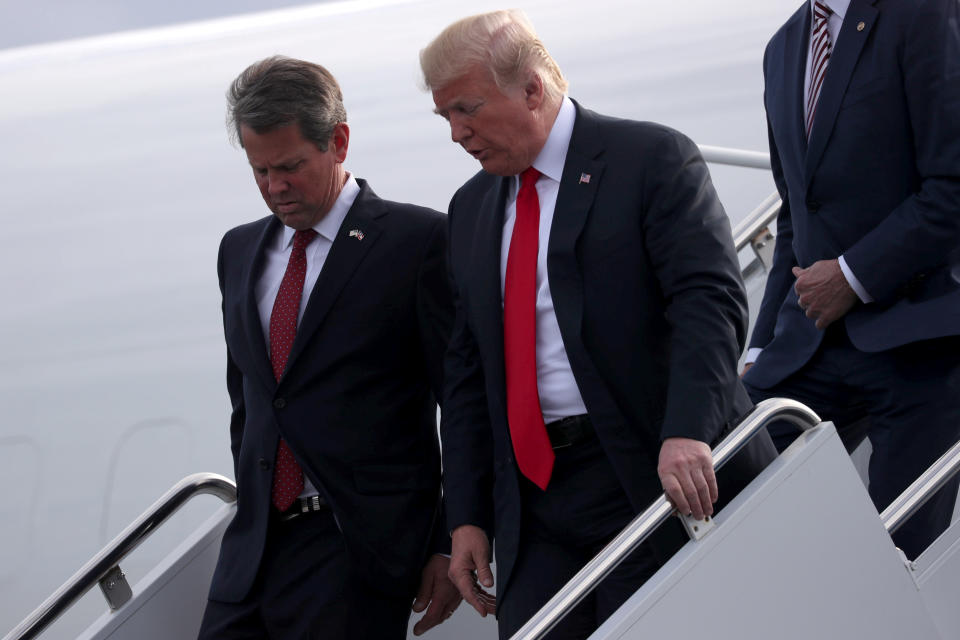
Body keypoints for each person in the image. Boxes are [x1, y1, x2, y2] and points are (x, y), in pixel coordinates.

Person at [420, 11, 776, 639]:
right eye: (445, 116)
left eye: (467, 109)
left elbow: (710, 300)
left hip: (648, 471)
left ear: (532, 88)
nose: (456, 133)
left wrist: (689, 431)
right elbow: (468, 369)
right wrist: (467, 514)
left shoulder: (650, 158)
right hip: (534, 501)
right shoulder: (471, 207)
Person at [198, 56, 460, 639]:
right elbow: (250, 402)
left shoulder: (419, 243)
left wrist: (448, 538)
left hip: (356, 552)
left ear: (338, 141)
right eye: (259, 171)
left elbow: (463, 404)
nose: (275, 187)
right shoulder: (238, 252)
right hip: (253, 551)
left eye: (290, 166)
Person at [743, 0, 960, 559]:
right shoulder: (781, 49)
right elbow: (795, 211)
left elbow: (953, 186)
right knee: (724, 479)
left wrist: (852, 276)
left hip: (923, 341)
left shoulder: (926, 14)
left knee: (896, 557)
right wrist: (760, 343)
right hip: (808, 346)